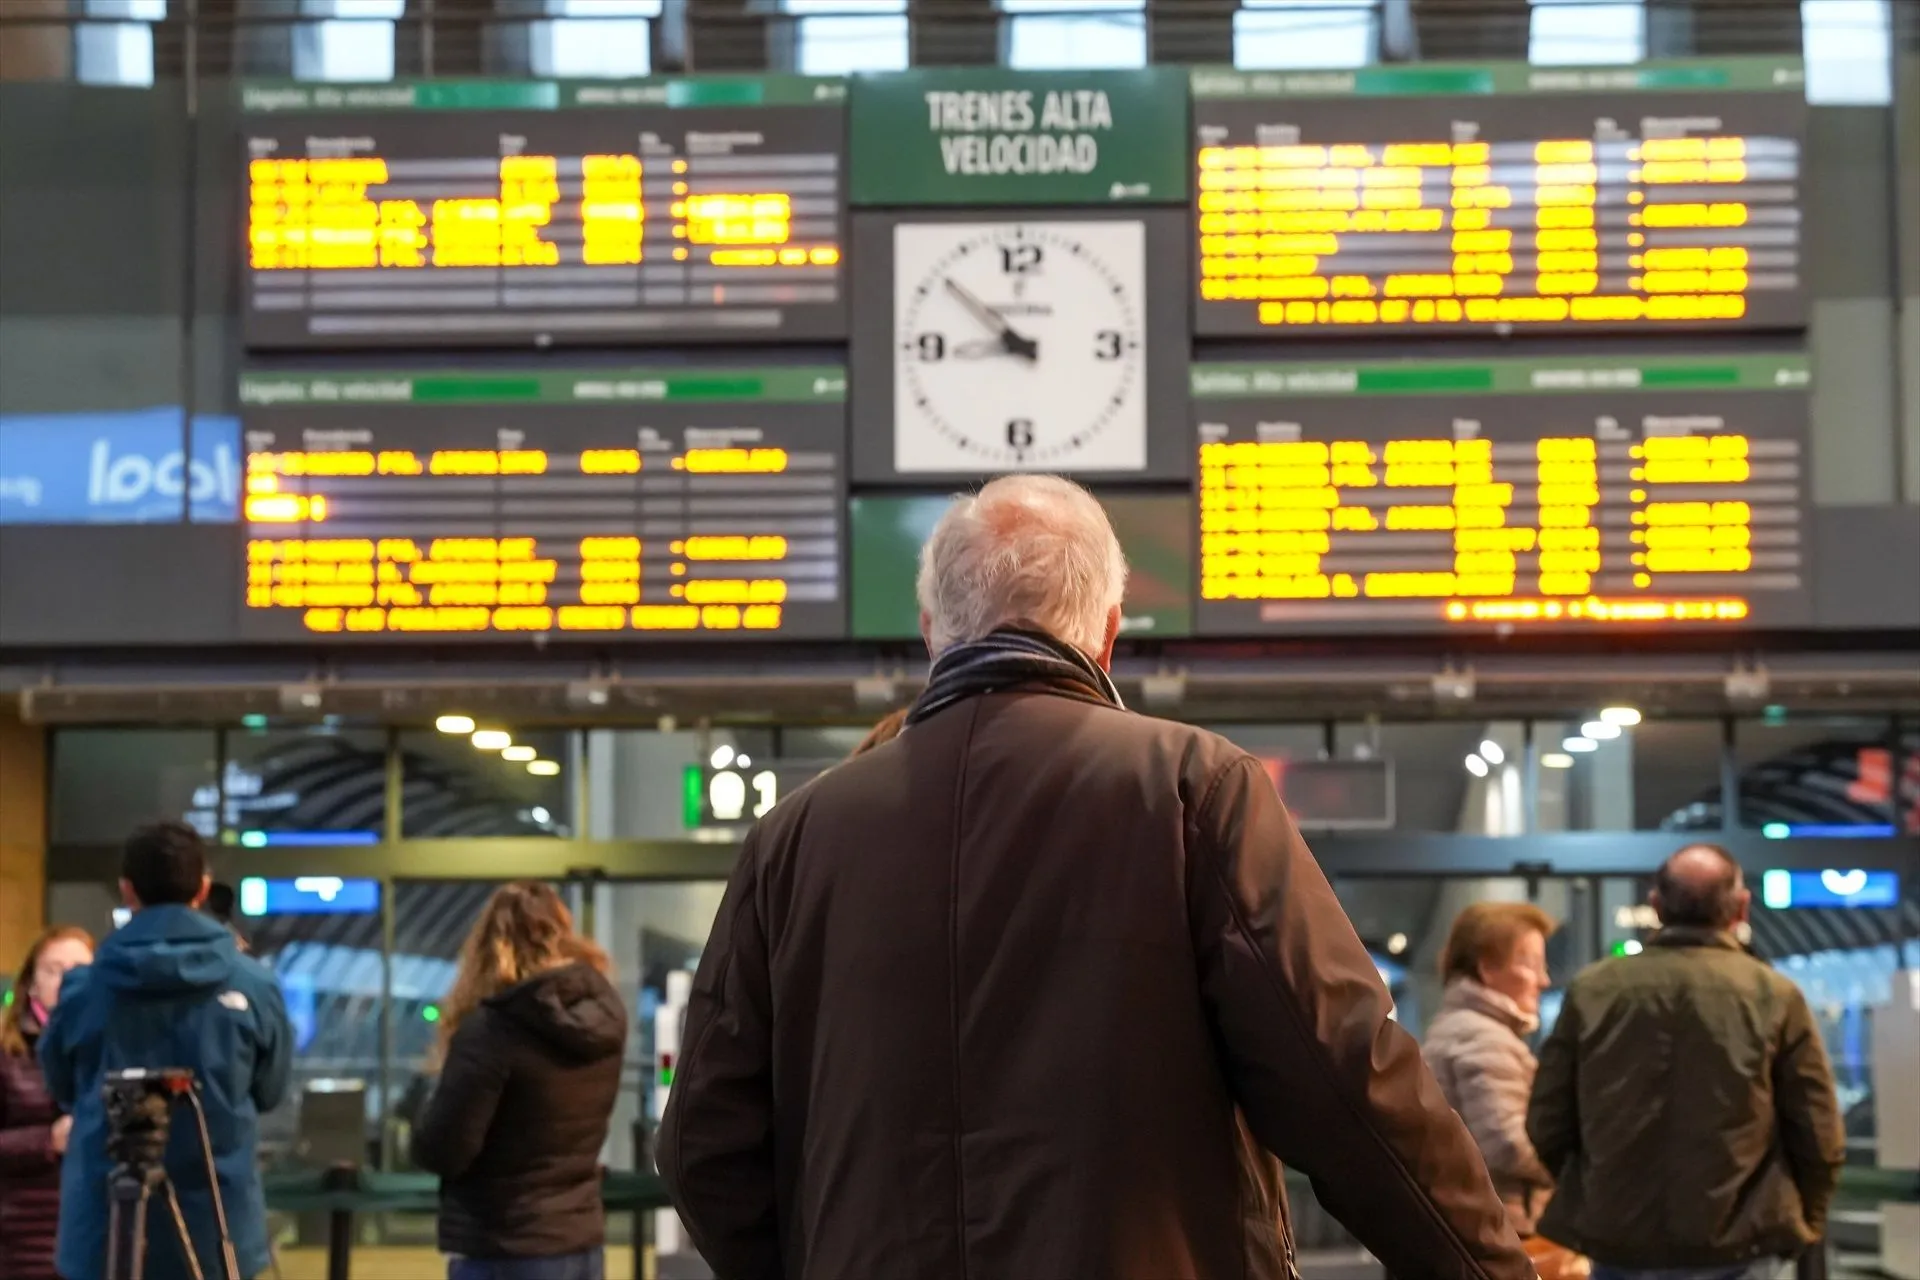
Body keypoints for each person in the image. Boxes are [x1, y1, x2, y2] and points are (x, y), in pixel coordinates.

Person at [660, 475, 1531, 1280]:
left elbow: (702, 1141)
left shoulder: (795, 835)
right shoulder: (1192, 787)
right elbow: (1348, 1080)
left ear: (933, 632)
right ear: (1109, 633)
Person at [1528, 844, 1846, 1279]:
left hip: (1620, 1244)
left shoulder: (1593, 990)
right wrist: (1803, 1220)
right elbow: (1819, 1132)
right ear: (1742, 907)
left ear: (1656, 905)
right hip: (1741, 1245)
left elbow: (1547, 1120)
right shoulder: (1774, 995)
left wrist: (1596, 1194)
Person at [38, 821, 291, 1280]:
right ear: (203, 889)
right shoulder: (253, 986)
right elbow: (270, 1091)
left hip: (103, 1231)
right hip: (218, 1228)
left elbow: (61, 1088)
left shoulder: (82, 990)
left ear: (127, 891)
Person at [413, 882, 626, 1280]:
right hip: (580, 1243)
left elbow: (445, 1149)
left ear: (486, 949)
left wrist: (423, 1112)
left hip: (505, 1246)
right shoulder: (602, 1022)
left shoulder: (492, 1032)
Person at [1423, 903, 1572, 1272]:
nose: (1544, 980)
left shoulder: (1460, 1027)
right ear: (1488, 968)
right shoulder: (1484, 1038)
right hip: (1502, 1226)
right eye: (1533, 964)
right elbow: (1506, 1144)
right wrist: (1576, 1171)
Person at [1, 926, 95, 1280]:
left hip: (97, 1237)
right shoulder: (7, 1053)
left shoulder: (113, 1048)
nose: (67, 981)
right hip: (25, 1240)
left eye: (79, 970)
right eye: (54, 970)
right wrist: (47, 1141)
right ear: (32, 983)